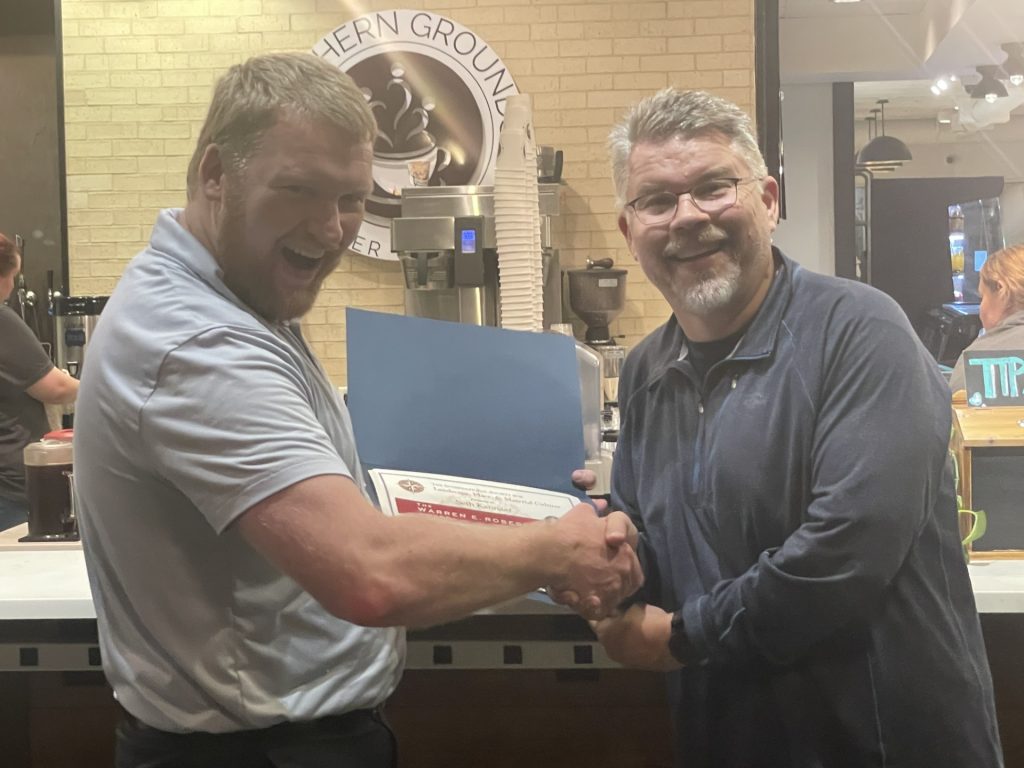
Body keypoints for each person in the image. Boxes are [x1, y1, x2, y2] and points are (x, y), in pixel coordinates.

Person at [73, 52, 641, 768]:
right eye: (298, 190)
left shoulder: (237, 294)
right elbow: (368, 573)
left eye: (349, 196)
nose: (332, 227)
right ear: (215, 174)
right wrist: (557, 547)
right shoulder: (198, 342)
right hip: (257, 753)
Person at [587, 88, 1003, 767]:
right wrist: (601, 553)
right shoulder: (646, 369)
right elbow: (648, 529)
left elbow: (845, 551)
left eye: (714, 187)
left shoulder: (861, 333)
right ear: (631, 232)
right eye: (657, 200)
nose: (687, 217)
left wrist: (680, 638)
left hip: (885, 743)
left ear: (769, 200)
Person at [0, 232, 79, 530]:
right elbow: (54, 388)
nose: (12, 287)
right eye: (14, 276)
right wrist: (93, 387)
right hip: (11, 485)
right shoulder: (2, 320)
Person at [949, 243, 1024, 394]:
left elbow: (954, 411)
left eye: (982, 297)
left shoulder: (976, 360)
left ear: (1001, 289)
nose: (980, 311)